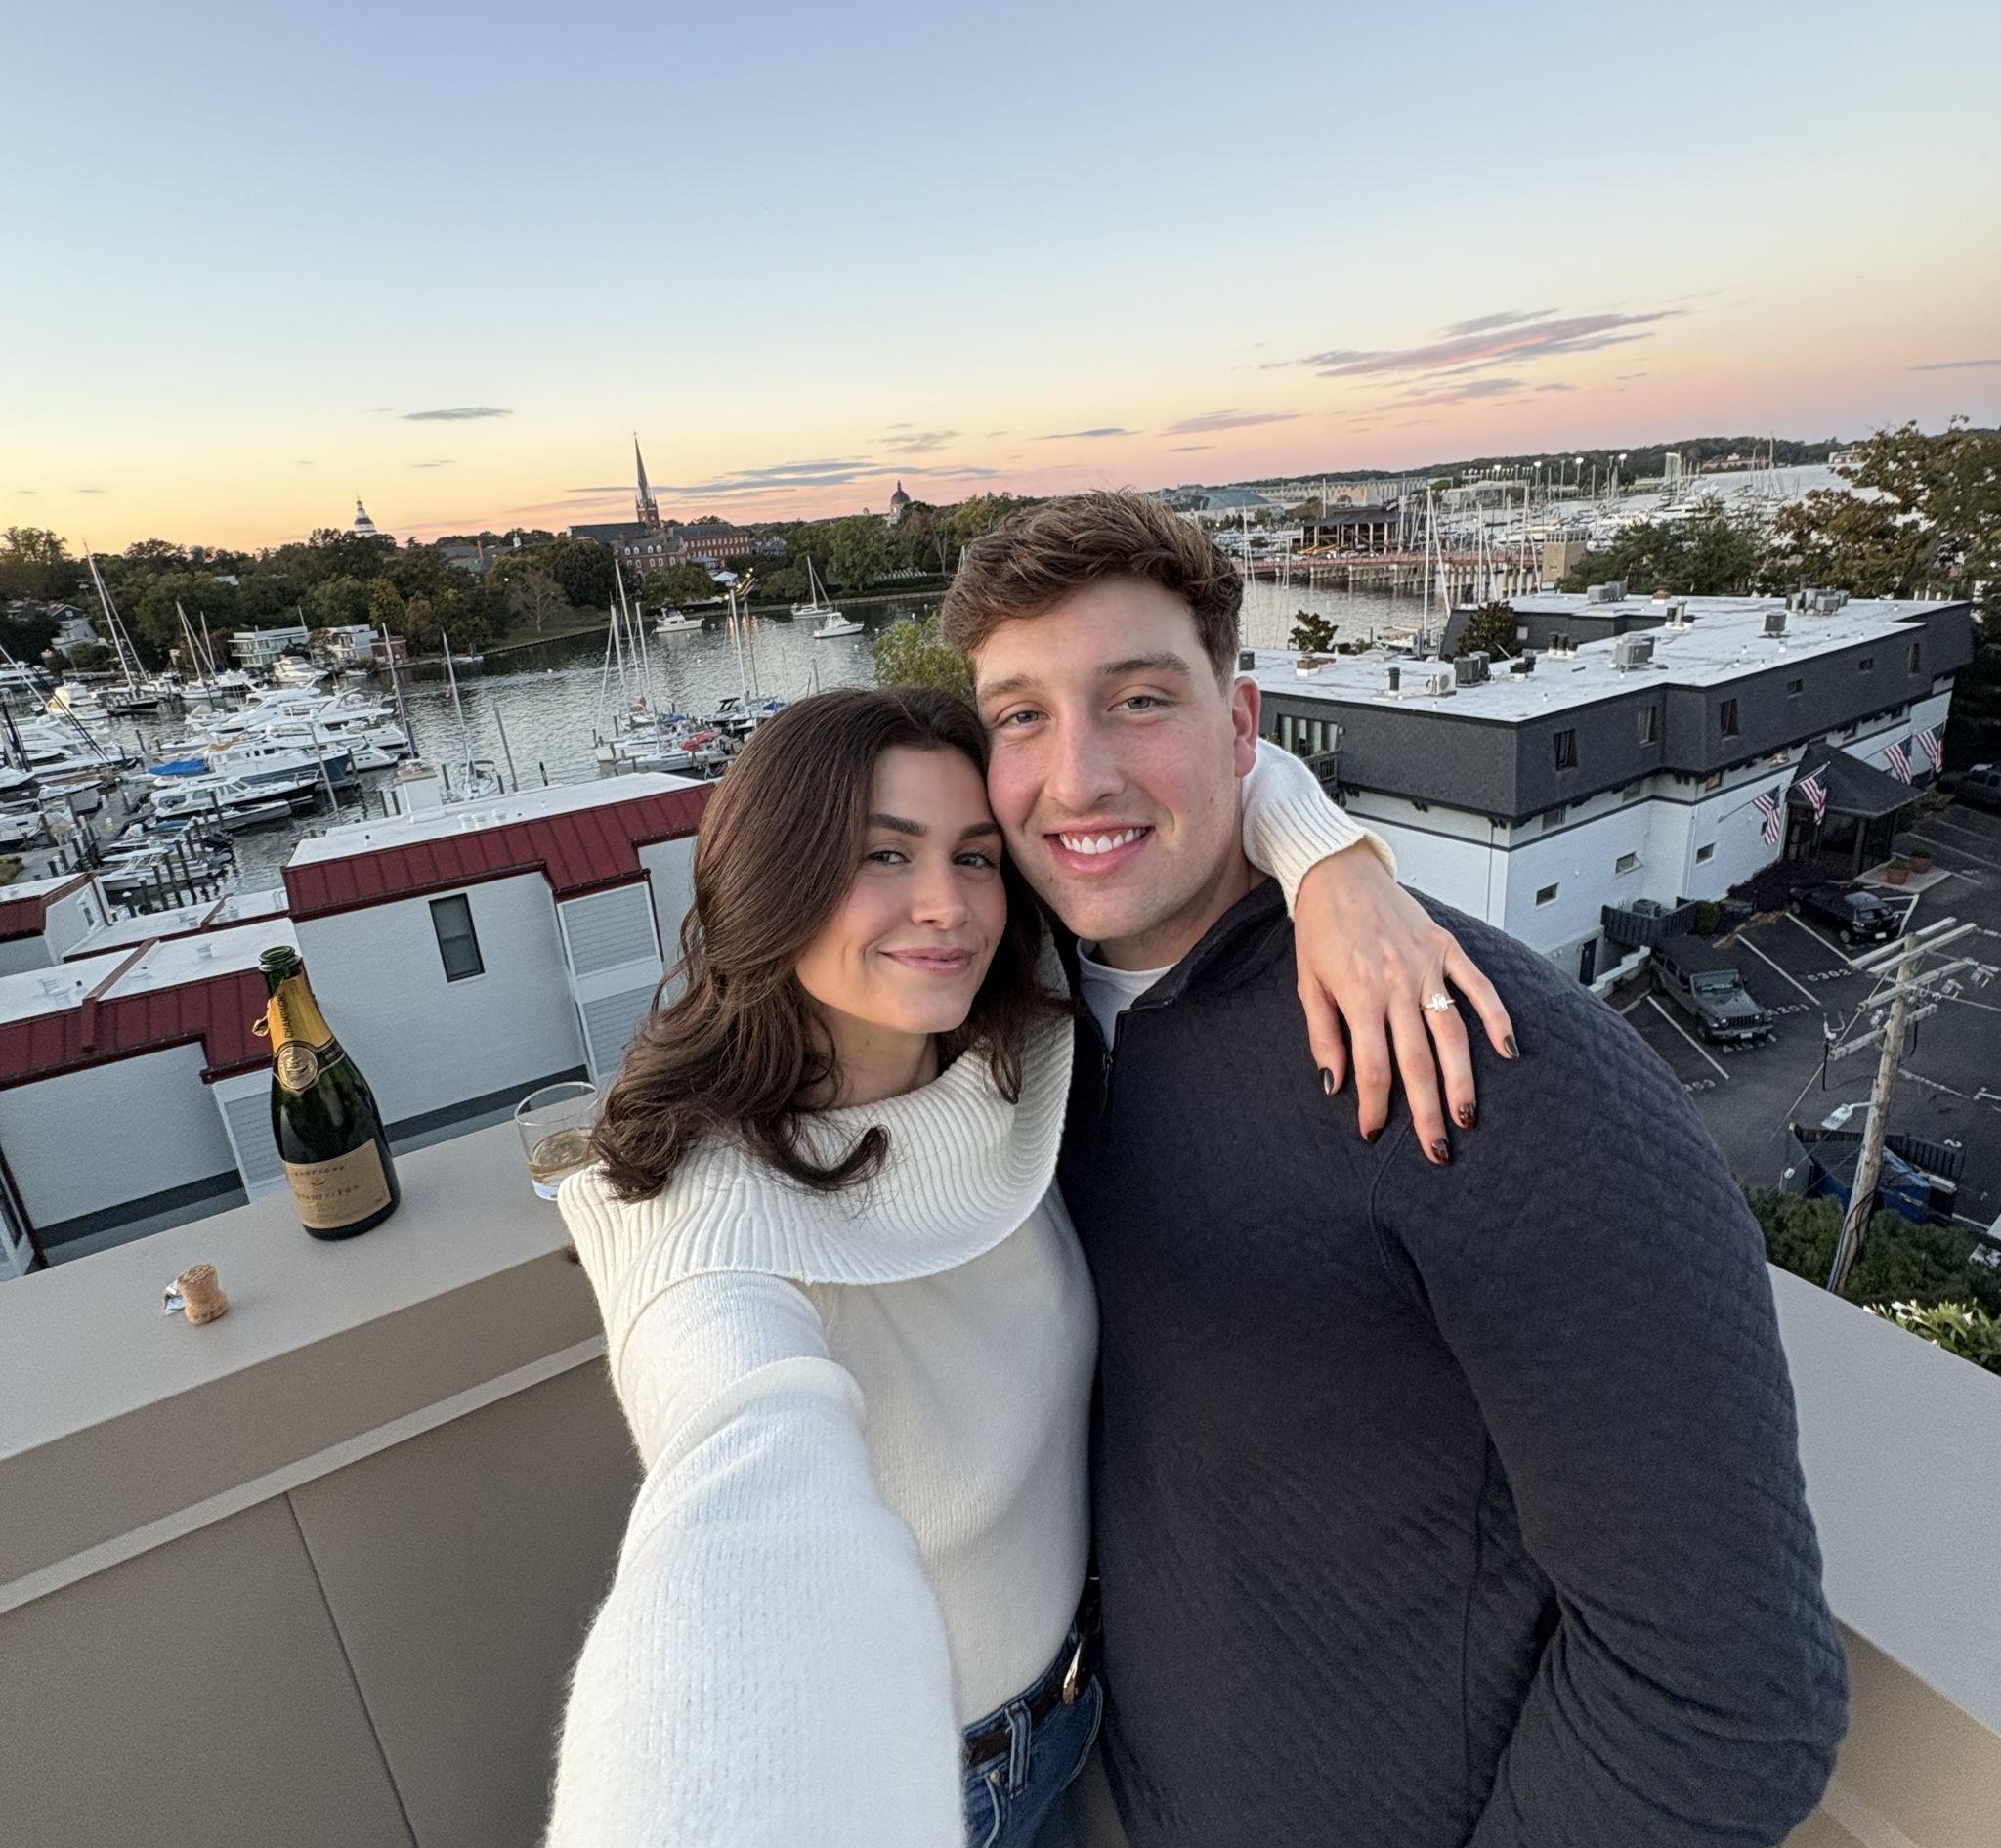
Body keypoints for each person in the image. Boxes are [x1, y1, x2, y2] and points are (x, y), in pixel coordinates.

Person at [939, 490, 1851, 1848]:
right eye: (1021, 712)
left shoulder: (1482, 1063)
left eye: (1140, 698)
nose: (1076, 774)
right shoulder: (1002, 999)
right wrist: (1322, 846)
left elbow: (1723, 1691)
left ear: (1241, 726)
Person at [544, 682, 1513, 1848]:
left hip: (1093, 1711)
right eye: (881, 857)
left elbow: (1209, 787)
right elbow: (739, 1490)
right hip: (937, 1795)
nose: (945, 906)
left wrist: (1336, 873)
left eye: (973, 856)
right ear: (774, 877)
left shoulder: (1008, 1048)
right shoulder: (692, 1216)